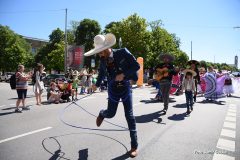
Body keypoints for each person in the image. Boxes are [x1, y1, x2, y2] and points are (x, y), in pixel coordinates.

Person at [84, 33, 140, 157]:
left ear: (106, 48)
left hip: (125, 87)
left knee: (129, 116)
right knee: (111, 113)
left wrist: (124, 74)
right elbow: (102, 73)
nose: (99, 54)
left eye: (100, 51)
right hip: (112, 89)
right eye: (98, 52)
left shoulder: (123, 52)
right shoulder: (103, 60)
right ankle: (102, 114)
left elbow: (137, 66)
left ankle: (134, 146)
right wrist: (96, 85)